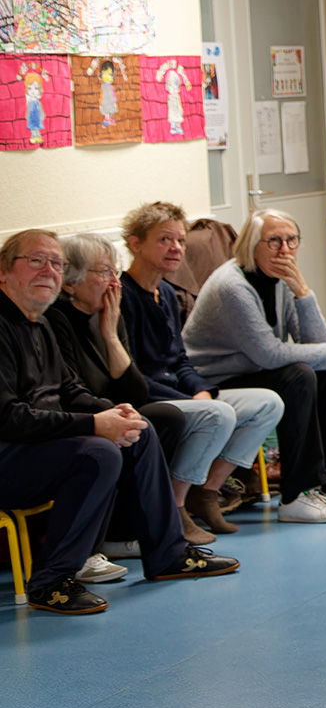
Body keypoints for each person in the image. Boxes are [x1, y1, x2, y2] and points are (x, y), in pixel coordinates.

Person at [0, 229, 238, 614]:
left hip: (39, 447)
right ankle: (50, 581)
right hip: (9, 455)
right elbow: (8, 418)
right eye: (36, 261)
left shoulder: (38, 321)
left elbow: (70, 389)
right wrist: (94, 424)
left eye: (57, 263)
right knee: (99, 452)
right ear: (3, 272)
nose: (49, 271)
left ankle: (167, 554)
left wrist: (114, 413)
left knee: (138, 428)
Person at [184, 208, 326, 524]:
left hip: (254, 369)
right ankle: (295, 496)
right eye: (274, 241)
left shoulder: (281, 279)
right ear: (251, 245)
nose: (284, 250)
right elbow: (269, 355)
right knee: (299, 377)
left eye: (292, 240)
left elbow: (316, 343)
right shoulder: (232, 286)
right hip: (215, 378)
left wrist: (302, 292)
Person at [115, 202, 286, 540]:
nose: (176, 248)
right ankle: (176, 506)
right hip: (149, 398)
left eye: (180, 240)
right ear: (135, 244)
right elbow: (129, 373)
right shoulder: (123, 296)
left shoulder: (166, 292)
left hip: (182, 394)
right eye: (164, 240)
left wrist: (199, 389)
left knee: (268, 403)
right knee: (218, 413)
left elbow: (179, 359)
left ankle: (206, 491)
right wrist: (192, 397)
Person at [47, 232, 189, 583]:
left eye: (115, 270)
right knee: (131, 429)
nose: (115, 282)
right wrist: (111, 414)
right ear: (70, 283)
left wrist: (110, 335)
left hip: (107, 408)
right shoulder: (57, 320)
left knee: (165, 418)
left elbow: (136, 391)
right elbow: (69, 392)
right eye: (104, 272)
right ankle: (97, 544)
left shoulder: (109, 313)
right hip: (79, 416)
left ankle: (130, 534)